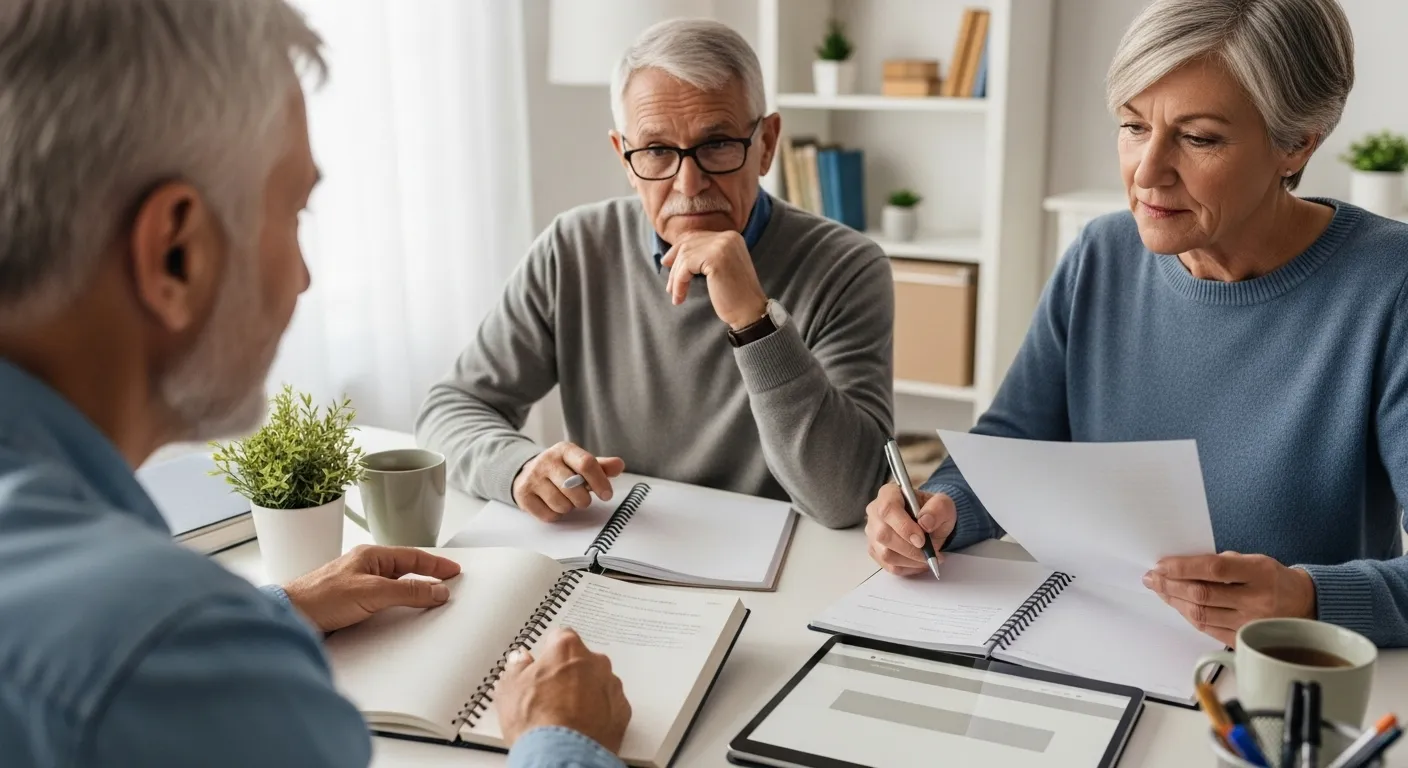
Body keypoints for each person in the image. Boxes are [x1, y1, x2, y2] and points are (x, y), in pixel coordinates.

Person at [0, 1, 629, 766]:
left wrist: (279, 609)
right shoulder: (160, 656)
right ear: (177, 253)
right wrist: (562, 745)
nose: (302, 277)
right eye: (295, 211)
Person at [865, 0, 1408, 648]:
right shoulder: (1100, 254)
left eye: (1199, 136)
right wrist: (941, 507)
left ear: (1297, 141)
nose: (1146, 172)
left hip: (1280, 682)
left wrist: (1309, 600)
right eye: (1132, 126)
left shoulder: (1389, 286)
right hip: (1089, 646)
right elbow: (1014, 446)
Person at [416, 19, 893, 528]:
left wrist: (755, 323)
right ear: (623, 156)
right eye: (658, 151)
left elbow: (849, 498)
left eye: (717, 145)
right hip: (611, 554)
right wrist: (519, 468)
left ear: (767, 144)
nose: (688, 183)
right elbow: (452, 407)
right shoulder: (573, 248)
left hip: (782, 573)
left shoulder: (847, 266)